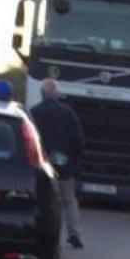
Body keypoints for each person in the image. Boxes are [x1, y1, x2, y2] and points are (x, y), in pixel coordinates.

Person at [30, 79, 87, 248]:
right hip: (65, 164)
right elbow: (78, 139)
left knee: (42, 199)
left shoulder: (34, 112)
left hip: (42, 164)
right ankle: (74, 234)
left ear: (42, 94)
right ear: (56, 94)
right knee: (69, 199)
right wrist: (74, 160)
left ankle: (40, 233)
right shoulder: (67, 112)